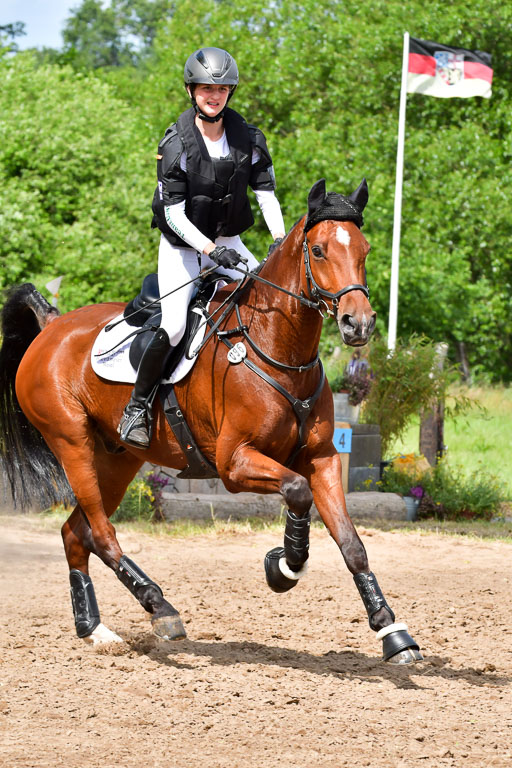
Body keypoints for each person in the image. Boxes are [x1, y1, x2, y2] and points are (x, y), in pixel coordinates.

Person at [118, 46, 286, 448]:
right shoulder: (176, 142)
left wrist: (279, 242)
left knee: (273, 299)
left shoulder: (248, 138)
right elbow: (174, 215)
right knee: (174, 325)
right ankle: (136, 408)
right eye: (207, 88)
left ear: (230, 93)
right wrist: (211, 250)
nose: (215, 95)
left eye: (222, 89)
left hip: (228, 240)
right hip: (182, 246)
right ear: (192, 90)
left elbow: (266, 196)